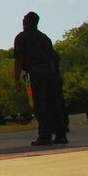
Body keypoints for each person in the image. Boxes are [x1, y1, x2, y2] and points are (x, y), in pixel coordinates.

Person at [14, 11, 67, 146]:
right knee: (54, 105)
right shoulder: (45, 38)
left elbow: (19, 60)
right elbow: (52, 59)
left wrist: (17, 78)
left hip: (35, 73)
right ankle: (61, 135)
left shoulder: (21, 37)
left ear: (26, 22)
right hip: (50, 73)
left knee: (40, 104)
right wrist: (54, 75)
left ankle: (45, 136)